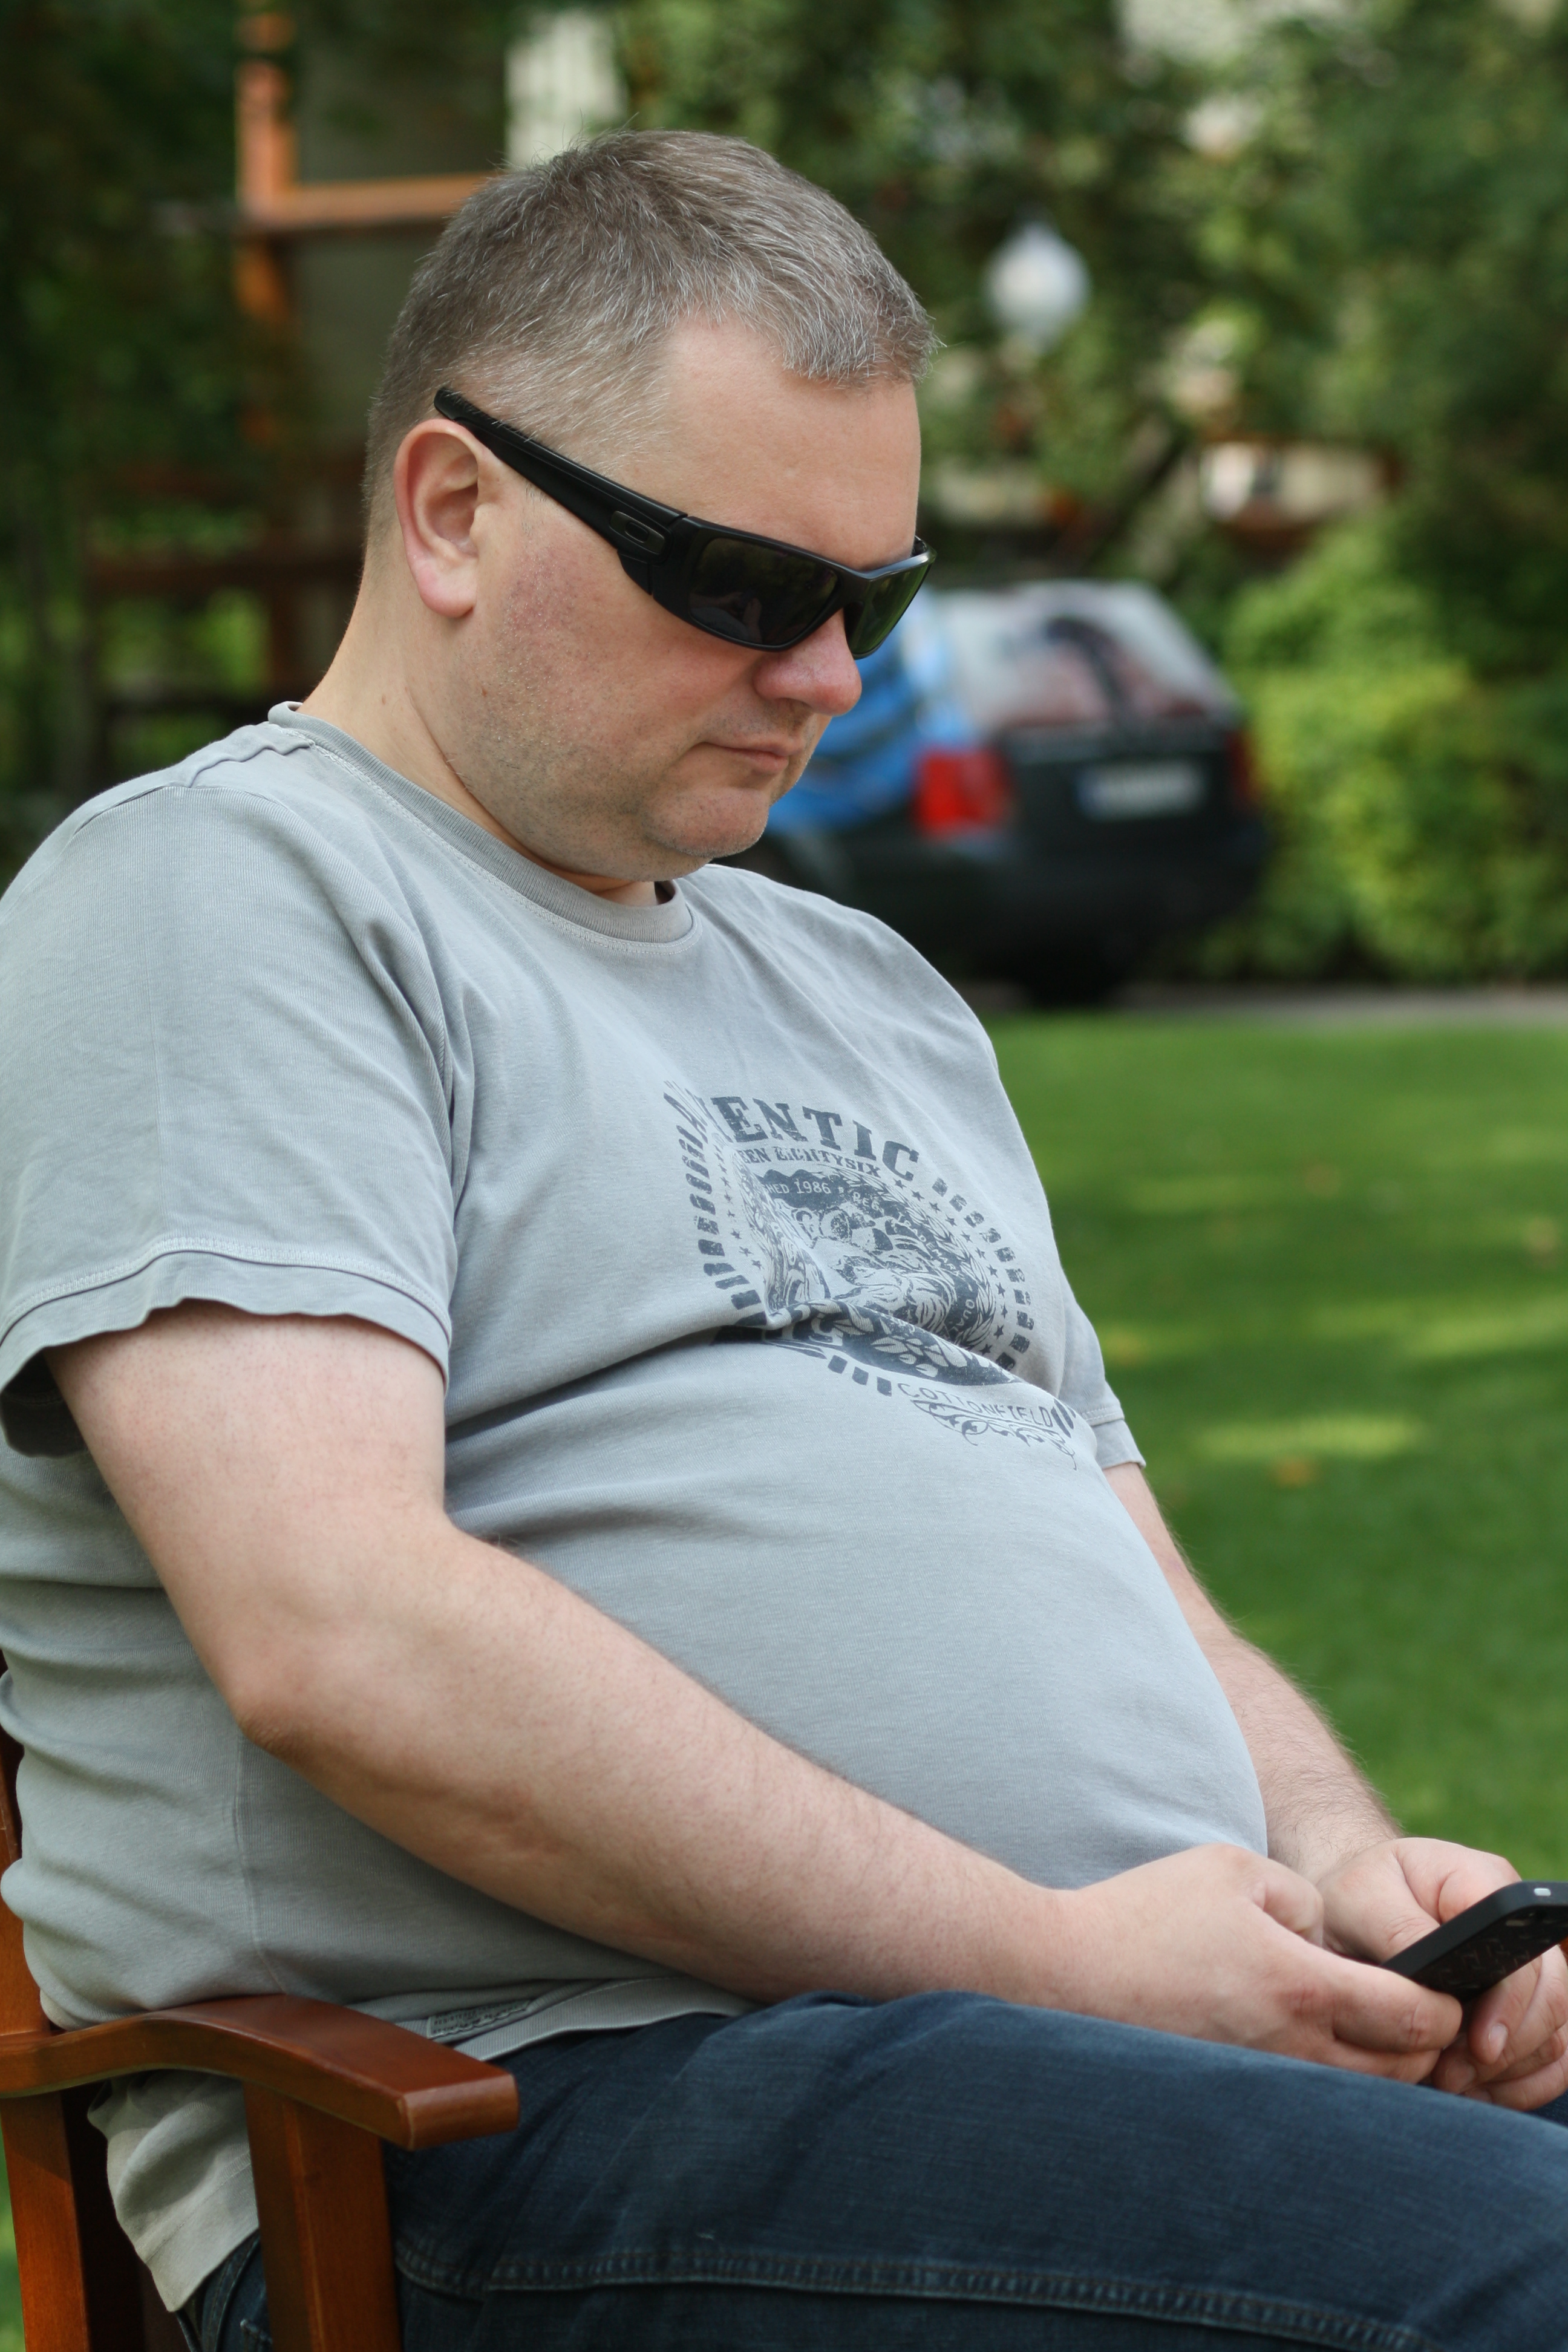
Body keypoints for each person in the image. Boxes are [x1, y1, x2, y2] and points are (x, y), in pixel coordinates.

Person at [1, 132, 1567, 2352]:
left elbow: (1146, 1583)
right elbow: (341, 1633)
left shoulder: (871, 993)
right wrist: (1058, 1961)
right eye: (741, 584)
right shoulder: (221, 898)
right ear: (451, 512)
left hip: (1053, 2068)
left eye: (872, 599)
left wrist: (1341, 1872)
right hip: (525, 2117)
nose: (828, 675)